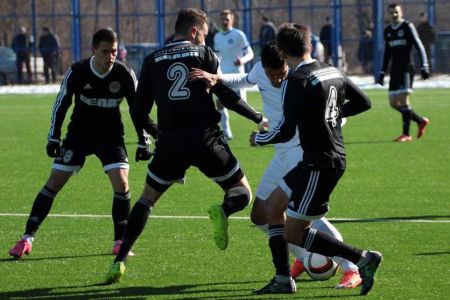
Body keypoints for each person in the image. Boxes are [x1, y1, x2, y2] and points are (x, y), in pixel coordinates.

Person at [104, 8, 266, 284]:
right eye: (203, 34)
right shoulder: (203, 55)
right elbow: (225, 94)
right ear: (194, 32)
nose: (205, 39)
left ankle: (119, 261)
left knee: (146, 200)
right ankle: (223, 211)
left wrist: (158, 133)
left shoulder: (152, 60)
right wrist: (257, 117)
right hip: (206, 139)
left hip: (170, 144)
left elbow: (137, 112)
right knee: (242, 193)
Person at [188, 41, 362, 289]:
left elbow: (330, 110)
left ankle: (351, 268)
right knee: (260, 215)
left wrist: (333, 122)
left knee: (303, 217)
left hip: (302, 153)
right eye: (272, 75)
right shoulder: (260, 70)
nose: (277, 80)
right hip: (281, 153)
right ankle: (303, 257)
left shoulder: (301, 80)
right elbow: (245, 79)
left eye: (281, 74)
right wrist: (217, 78)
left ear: (288, 65)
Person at [250, 23, 381, 296]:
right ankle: (282, 279)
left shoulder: (295, 81)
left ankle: (362, 259)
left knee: (293, 233)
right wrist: (329, 115)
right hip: (317, 160)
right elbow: (364, 103)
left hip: (320, 164)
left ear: (283, 52)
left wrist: (258, 139)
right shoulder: (331, 69)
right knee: (274, 207)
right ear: (309, 45)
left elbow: (285, 131)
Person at [9, 28, 158, 259]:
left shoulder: (125, 73)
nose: (111, 57)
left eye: (114, 52)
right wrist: (54, 137)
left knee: (122, 182)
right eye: (105, 52)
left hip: (111, 137)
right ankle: (27, 238)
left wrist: (142, 141)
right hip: (79, 135)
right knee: (54, 182)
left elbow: (138, 110)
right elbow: (61, 105)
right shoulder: (77, 71)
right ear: (93, 50)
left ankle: (119, 241)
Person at [376, 3, 430, 142]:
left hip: (407, 69)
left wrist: (424, 65)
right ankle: (420, 121)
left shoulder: (407, 27)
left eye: (396, 12)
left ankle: (406, 134)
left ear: (401, 12)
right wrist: (382, 71)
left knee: (403, 99)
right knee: (393, 103)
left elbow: (419, 46)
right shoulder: (388, 30)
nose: (394, 14)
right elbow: (387, 53)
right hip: (395, 70)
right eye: (391, 12)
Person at [213, 9, 254, 140]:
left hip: (237, 76)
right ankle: (227, 132)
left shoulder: (239, 35)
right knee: (219, 102)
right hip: (223, 75)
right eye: (223, 19)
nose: (225, 21)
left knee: (243, 107)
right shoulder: (217, 36)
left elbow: (250, 53)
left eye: (227, 19)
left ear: (232, 20)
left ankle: (263, 122)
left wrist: (242, 60)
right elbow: (218, 55)